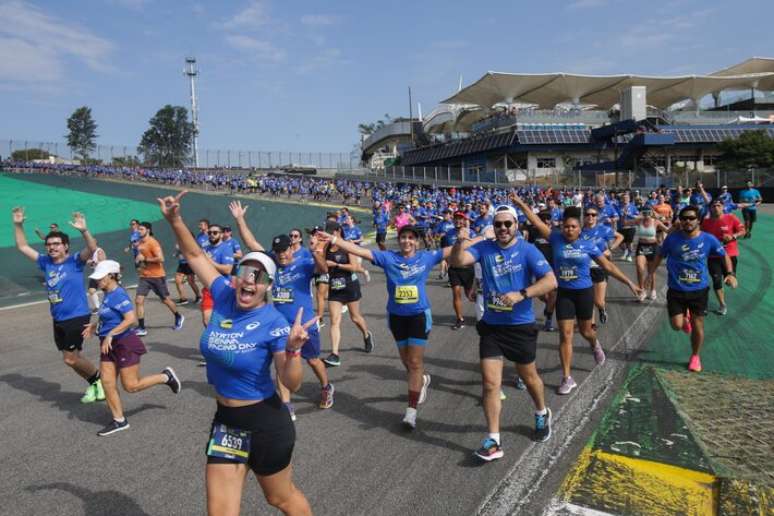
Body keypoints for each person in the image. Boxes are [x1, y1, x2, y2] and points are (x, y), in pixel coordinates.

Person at [159, 191, 313, 516]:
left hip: (266, 423)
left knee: (280, 499)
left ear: (268, 285)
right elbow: (194, 254)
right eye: (246, 273)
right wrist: (174, 220)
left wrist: (294, 351)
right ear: (237, 276)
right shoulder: (224, 294)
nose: (250, 281)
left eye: (259, 278)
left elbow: (292, 383)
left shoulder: (274, 323)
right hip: (227, 422)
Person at [451, 204, 558, 461]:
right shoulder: (485, 248)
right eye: (498, 224)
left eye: (507, 224)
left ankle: (541, 412)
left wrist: (522, 294)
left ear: (516, 226)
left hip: (520, 325)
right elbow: (458, 261)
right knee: (490, 384)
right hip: (492, 327)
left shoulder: (528, 250)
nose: (502, 228)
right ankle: (493, 440)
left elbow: (551, 281)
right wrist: (460, 241)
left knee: (529, 377)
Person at [317, 224, 450, 429]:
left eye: (410, 238)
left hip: (419, 316)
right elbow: (359, 250)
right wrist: (334, 240)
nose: (406, 241)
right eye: (403, 237)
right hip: (396, 317)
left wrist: (482, 239)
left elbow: (452, 250)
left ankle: (411, 412)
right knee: (407, 362)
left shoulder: (426, 258)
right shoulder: (389, 258)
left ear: (416, 241)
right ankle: (421, 380)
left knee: (414, 362)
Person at [513, 198, 641, 395]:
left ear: (579, 229)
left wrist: (630, 283)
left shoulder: (588, 246)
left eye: (573, 227)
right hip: (564, 293)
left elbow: (608, 266)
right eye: (566, 227)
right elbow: (537, 222)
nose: (569, 230)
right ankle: (567, 377)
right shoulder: (555, 239)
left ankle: (594, 344)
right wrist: (521, 204)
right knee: (565, 334)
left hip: (584, 292)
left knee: (586, 331)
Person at [12, 208, 105, 403]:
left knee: (70, 358)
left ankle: (99, 381)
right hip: (58, 318)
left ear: (66, 246)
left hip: (77, 316)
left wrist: (84, 230)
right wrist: (18, 224)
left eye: (56, 244)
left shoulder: (75, 261)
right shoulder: (45, 263)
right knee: (72, 359)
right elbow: (22, 246)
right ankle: (95, 384)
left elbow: (92, 247)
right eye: (48, 244)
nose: (51, 247)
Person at [82, 260, 181, 436]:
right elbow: (110, 317)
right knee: (107, 382)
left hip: (124, 343)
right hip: (107, 344)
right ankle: (119, 420)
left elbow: (130, 319)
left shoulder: (119, 294)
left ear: (112, 276)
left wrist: (111, 334)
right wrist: (94, 325)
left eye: (101, 277)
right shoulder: (107, 293)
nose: (98, 281)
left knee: (131, 386)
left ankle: (165, 377)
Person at [647, 206, 738, 372]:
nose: (687, 221)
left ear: (698, 220)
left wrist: (730, 273)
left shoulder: (708, 239)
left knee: (698, 324)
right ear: (680, 221)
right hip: (676, 289)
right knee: (676, 325)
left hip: (699, 290)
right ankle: (684, 320)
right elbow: (660, 254)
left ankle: (695, 356)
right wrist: (650, 273)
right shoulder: (672, 239)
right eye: (684, 218)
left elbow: (724, 254)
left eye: (691, 218)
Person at [320, 221, 374, 366]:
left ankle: (366, 334)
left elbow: (355, 267)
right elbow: (324, 268)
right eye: (327, 232)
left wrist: (337, 265)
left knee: (355, 318)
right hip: (335, 287)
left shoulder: (346, 245)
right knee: (334, 321)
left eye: (331, 232)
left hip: (350, 285)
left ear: (338, 231)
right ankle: (335, 354)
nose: (328, 235)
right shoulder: (326, 247)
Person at [133, 222, 184, 336]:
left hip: (157, 276)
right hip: (144, 277)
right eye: (138, 229)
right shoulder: (140, 243)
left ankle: (178, 316)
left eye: (141, 229)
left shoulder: (153, 243)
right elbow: (139, 257)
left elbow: (161, 259)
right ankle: (141, 328)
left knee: (165, 300)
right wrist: (138, 262)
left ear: (148, 230)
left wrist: (145, 259)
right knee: (138, 300)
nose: (138, 231)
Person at [700, 199, 745, 315]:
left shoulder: (731, 218)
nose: (716, 208)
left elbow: (742, 231)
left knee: (730, 283)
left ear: (723, 206)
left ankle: (731, 277)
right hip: (713, 256)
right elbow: (699, 234)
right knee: (716, 281)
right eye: (713, 206)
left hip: (730, 255)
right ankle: (722, 304)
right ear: (710, 208)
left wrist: (733, 236)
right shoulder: (705, 222)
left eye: (718, 205)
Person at [581, 206, 623, 324]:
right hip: (584, 268)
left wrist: (610, 249)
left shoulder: (603, 229)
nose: (590, 217)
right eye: (588, 214)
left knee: (598, 301)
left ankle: (602, 308)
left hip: (600, 267)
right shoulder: (579, 231)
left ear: (597, 217)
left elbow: (620, 237)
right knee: (588, 299)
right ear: (584, 217)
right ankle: (591, 325)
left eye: (593, 215)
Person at [201, 223, 236, 326]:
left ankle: (226, 339)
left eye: (215, 233)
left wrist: (209, 260)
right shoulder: (206, 249)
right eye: (209, 232)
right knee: (206, 320)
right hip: (208, 288)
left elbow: (227, 270)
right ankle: (213, 340)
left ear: (221, 235)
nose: (212, 234)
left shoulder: (226, 248)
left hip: (223, 289)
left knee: (224, 322)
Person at [632, 208, 669, 301]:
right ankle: (642, 290)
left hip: (653, 246)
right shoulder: (639, 220)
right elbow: (625, 223)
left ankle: (653, 290)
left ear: (652, 213)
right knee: (639, 268)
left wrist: (676, 225)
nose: (646, 214)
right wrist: (625, 214)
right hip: (641, 246)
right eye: (644, 212)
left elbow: (668, 230)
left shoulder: (656, 222)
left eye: (648, 212)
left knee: (651, 271)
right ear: (642, 213)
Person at [86, 244, 107, 313]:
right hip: (96, 274)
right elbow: (93, 264)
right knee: (91, 290)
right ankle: (97, 307)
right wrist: (91, 263)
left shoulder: (99, 251)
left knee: (107, 290)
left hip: (102, 274)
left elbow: (102, 262)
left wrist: (92, 262)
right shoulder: (92, 253)